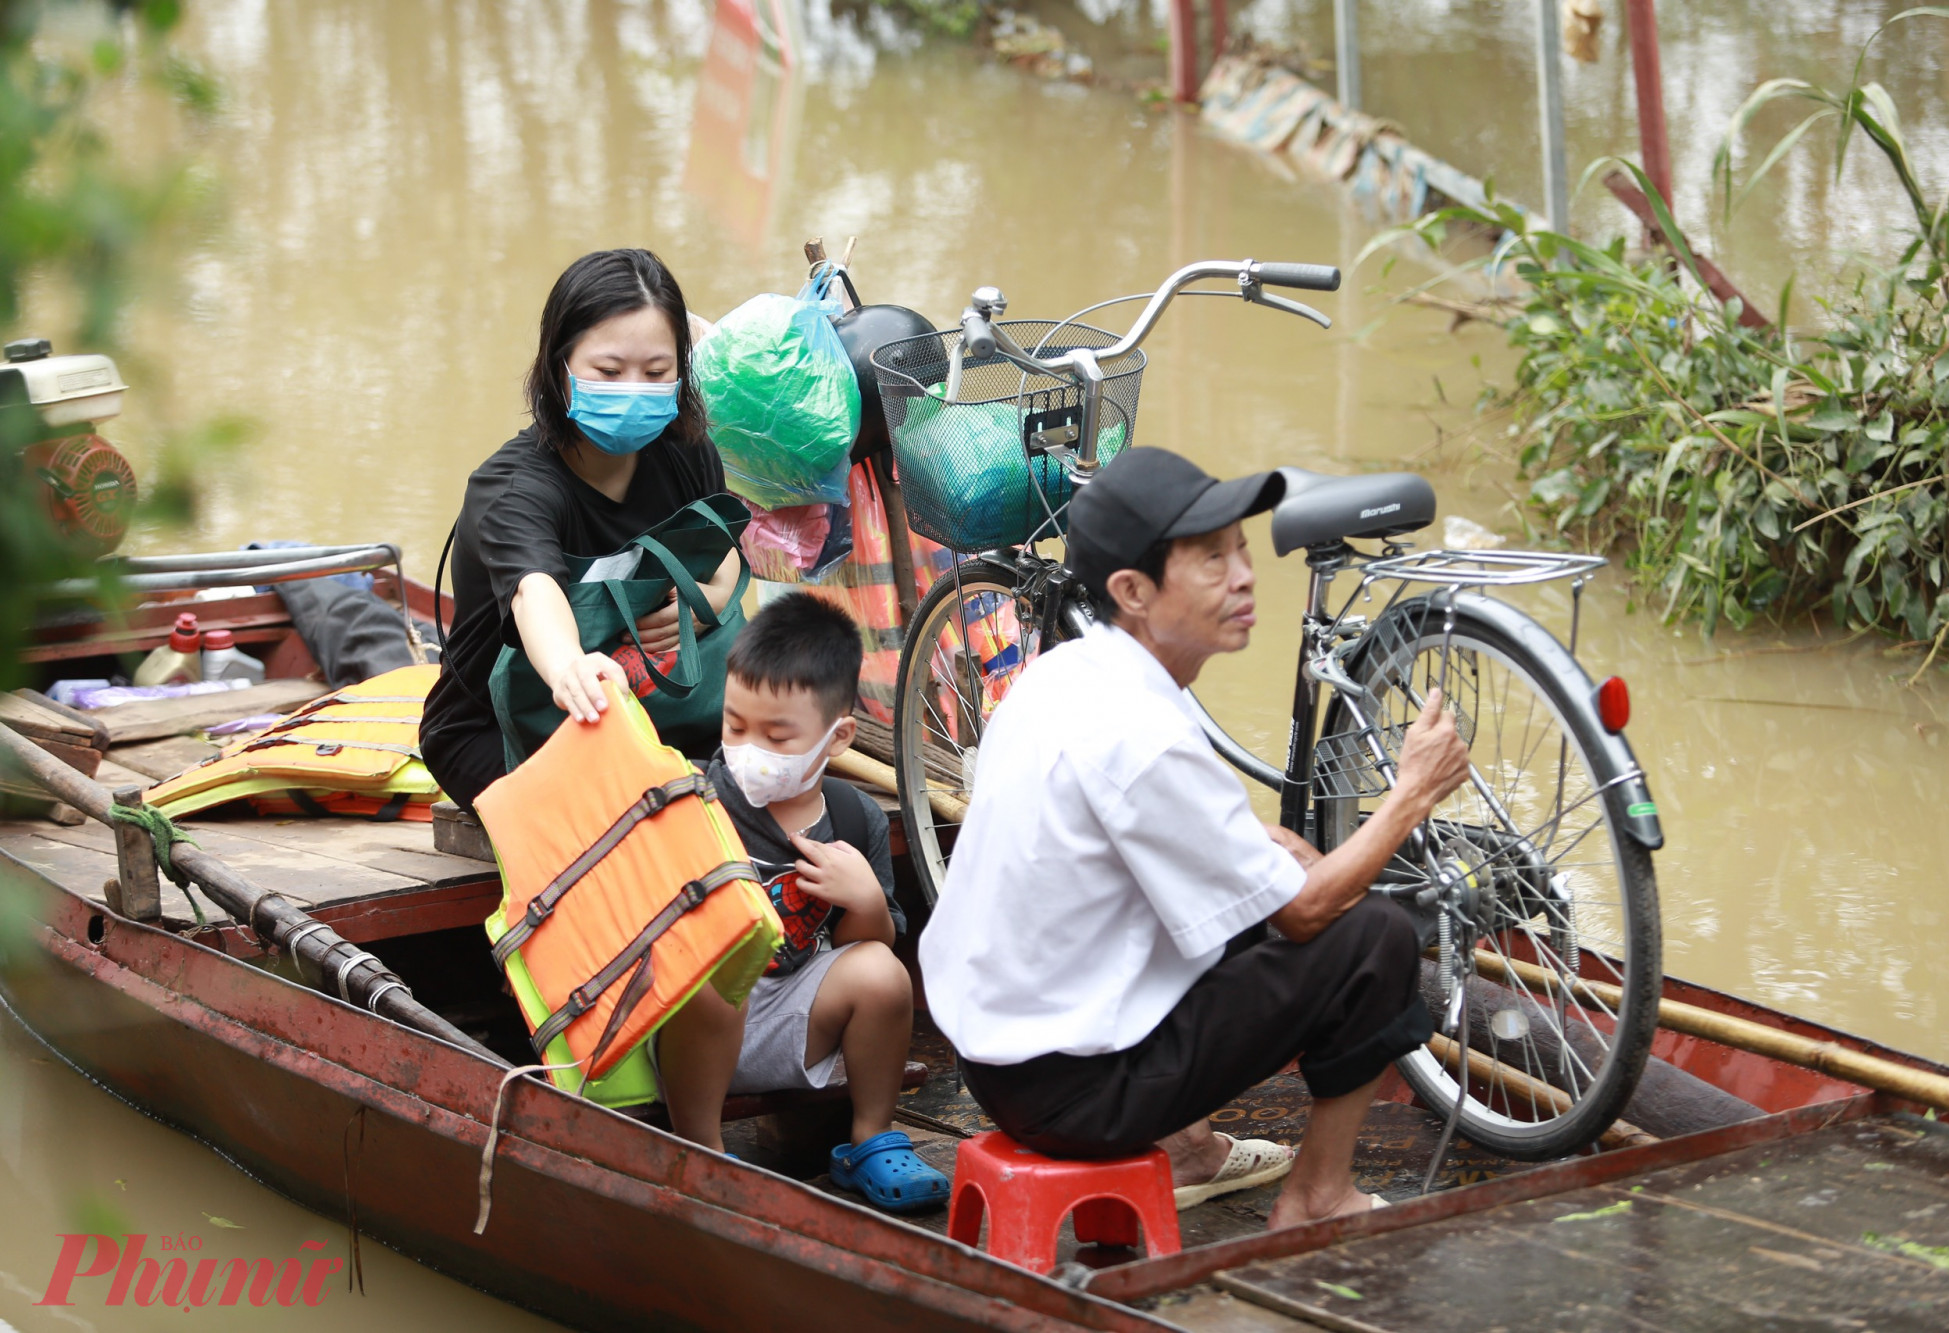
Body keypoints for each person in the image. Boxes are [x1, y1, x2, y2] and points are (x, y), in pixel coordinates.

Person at [920, 447, 1472, 1228]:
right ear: (1134, 591)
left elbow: (1219, 848)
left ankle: (1187, 1146)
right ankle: (1318, 1197)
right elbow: (1308, 914)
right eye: (1211, 560)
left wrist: (1288, 859)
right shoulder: (1142, 732)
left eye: (1240, 550)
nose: (1244, 576)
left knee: (1270, 877)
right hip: (1077, 1093)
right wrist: (1411, 793)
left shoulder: (1063, 675)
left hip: (999, 1059)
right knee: (1375, 933)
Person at [420, 248, 741, 811]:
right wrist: (571, 668)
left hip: (653, 710)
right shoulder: (515, 489)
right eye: (610, 372)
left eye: (657, 372)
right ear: (558, 367)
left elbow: (721, 550)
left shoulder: (687, 453)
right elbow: (533, 589)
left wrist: (704, 599)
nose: (635, 389)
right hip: (502, 732)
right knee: (621, 820)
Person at [693, 594, 950, 1213]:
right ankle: (699, 1146)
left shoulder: (854, 816)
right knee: (708, 971)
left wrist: (863, 900)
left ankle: (869, 1140)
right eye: (735, 726)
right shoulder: (696, 798)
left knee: (883, 973)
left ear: (838, 737)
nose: (749, 747)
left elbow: (864, 945)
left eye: (777, 735)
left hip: (790, 1018)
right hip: (695, 1025)